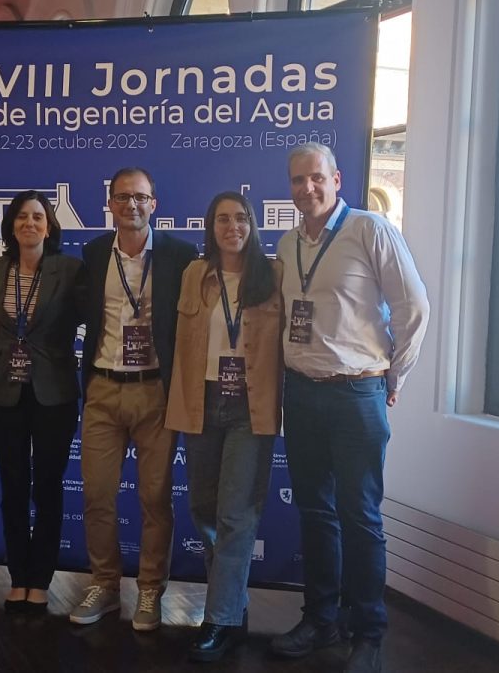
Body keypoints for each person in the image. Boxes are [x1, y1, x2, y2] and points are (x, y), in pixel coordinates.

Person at [270, 143, 429, 673]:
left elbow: (414, 307)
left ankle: (369, 632)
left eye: (316, 178)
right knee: (315, 513)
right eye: (298, 180)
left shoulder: (369, 230)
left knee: (359, 516)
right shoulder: (288, 243)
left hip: (356, 393)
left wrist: (393, 375)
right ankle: (321, 619)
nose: (307, 188)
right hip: (302, 392)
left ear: (336, 179)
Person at [69, 167, 197, 630]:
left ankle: (149, 590)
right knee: (97, 496)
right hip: (103, 389)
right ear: (110, 204)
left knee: (155, 498)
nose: (132, 205)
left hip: (155, 391)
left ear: (154, 204)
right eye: (123, 197)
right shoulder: (93, 253)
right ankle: (104, 585)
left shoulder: (180, 256)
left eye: (140, 197)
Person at [165, 192, 283, 661]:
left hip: (251, 408)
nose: (232, 227)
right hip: (202, 403)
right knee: (204, 508)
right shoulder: (195, 274)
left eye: (240, 218)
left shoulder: (273, 275)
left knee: (236, 514)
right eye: (222, 219)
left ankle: (218, 619)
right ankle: (233, 606)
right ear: (210, 227)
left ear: (252, 224)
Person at [0, 191, 85, 615]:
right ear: (12, 225)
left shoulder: (70, 269)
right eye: (22, 216)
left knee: (47, 485)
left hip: (54, 390)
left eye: (38, 217)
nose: (30, 223)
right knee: (12, 485)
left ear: (49, 226)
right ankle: (18, 576)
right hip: (6, 388)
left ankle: (40, 579)